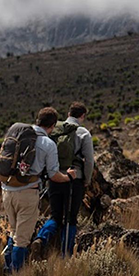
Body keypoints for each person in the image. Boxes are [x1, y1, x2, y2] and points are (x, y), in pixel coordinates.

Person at [0, 107, 76, 271]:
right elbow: (53, 175)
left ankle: (7, 268)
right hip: (28, 193)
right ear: (52, 125)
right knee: (22, 239)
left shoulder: (17, 136)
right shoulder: (48, 144)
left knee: (14, 232)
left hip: (7, 191)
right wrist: (68, 177)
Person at [31, 101, 94, 258]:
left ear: (68, 114)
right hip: (74, 179)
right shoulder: (83, 133)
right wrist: (86, 179)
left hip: (54, 177)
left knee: (55, 215)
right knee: (71, 219)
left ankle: (41, 238)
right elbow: (89, 160)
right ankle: (65, 254)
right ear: (82, 116)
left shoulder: (55, 129)